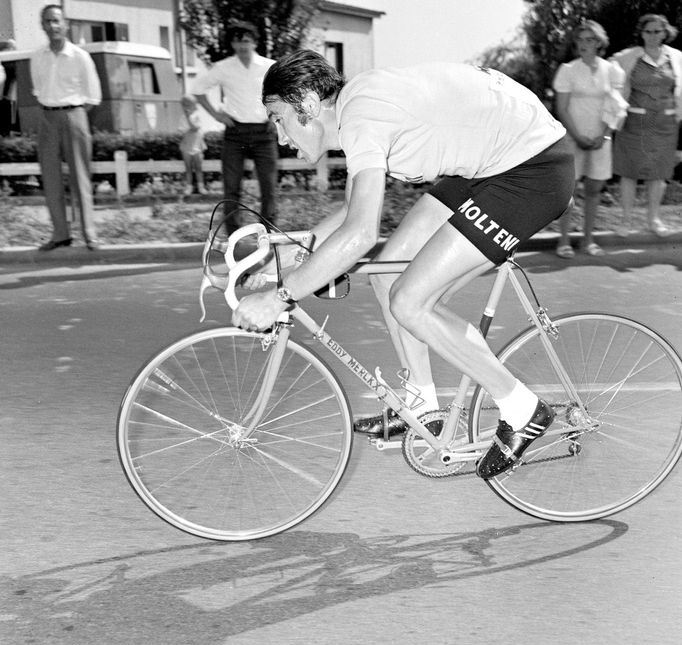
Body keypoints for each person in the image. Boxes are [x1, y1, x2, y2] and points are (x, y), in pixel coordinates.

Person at [230, 51, 574, 479]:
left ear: (309, 103)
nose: (279, 137)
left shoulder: (362, 117)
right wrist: (292, 251)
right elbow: (352, 211)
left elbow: (359, 234)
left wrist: (281, 296)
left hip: (533, 170)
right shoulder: (357, 109)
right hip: (490, 164)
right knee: (389, 272)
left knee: (411, 300)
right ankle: (421, 407)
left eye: (278, 117)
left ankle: (522, 409)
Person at [191, 21, 278, 234]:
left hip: (263, 134)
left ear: (254, 42)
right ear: (232, 44)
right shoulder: (223, 67)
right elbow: (198, 89)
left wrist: (275, 115)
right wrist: (216, 114)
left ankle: (270, 235)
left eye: (246, 41)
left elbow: (285, 91)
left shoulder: (269, 66)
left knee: (269, 187)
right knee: (231, 188)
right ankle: (234, 237)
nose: (242, 46)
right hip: (235, 133)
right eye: (237, 42)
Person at [30, 4, 102, 251]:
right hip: (47, 118)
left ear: (66, 24)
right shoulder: (37, 57)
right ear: (42, 26)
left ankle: (89, 233)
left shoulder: (80, 57)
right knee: (50, 179)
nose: (53, 26)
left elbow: (93, 97)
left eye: (56, 21)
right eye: (48, 21)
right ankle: (60, 234)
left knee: (80, 178)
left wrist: (73, 115)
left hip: (75, 115)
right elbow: (38, 90)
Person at [552, 20, 627, 259]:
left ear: (599, 42)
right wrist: (577, 136)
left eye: (590, 39)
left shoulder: (612, 70)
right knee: (568, 191)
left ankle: (588, 241)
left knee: (594, 190)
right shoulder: (568, 70)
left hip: (601, 139)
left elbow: (615, 106)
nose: (584, 44)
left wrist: (604, 135)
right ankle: (563, 241)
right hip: (574, 137)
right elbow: (562, 109)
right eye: (580, 39)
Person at [611, 13, 682, 237]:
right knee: (629, 172)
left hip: (665, 123)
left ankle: (653, 219)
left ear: (665, 32)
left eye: (657, 31)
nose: (652, 36)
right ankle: (626, 221)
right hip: (635, 122)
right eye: (648, 31)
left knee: (658, 174)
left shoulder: (677, 57)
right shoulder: (628, 57)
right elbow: (609, 75)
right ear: (641, 33)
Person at [179, 94, 207, 196]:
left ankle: (201, 186)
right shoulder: (183, 118)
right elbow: (182, 131)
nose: (187, 108)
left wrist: (188, 119)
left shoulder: (196, 116)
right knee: (188, 168)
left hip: (197, 145)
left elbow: (195, 128)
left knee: (198, 167)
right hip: (187, 145)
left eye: (191, 105)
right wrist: (187, 122)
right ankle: (189, 187)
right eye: (185, 105)